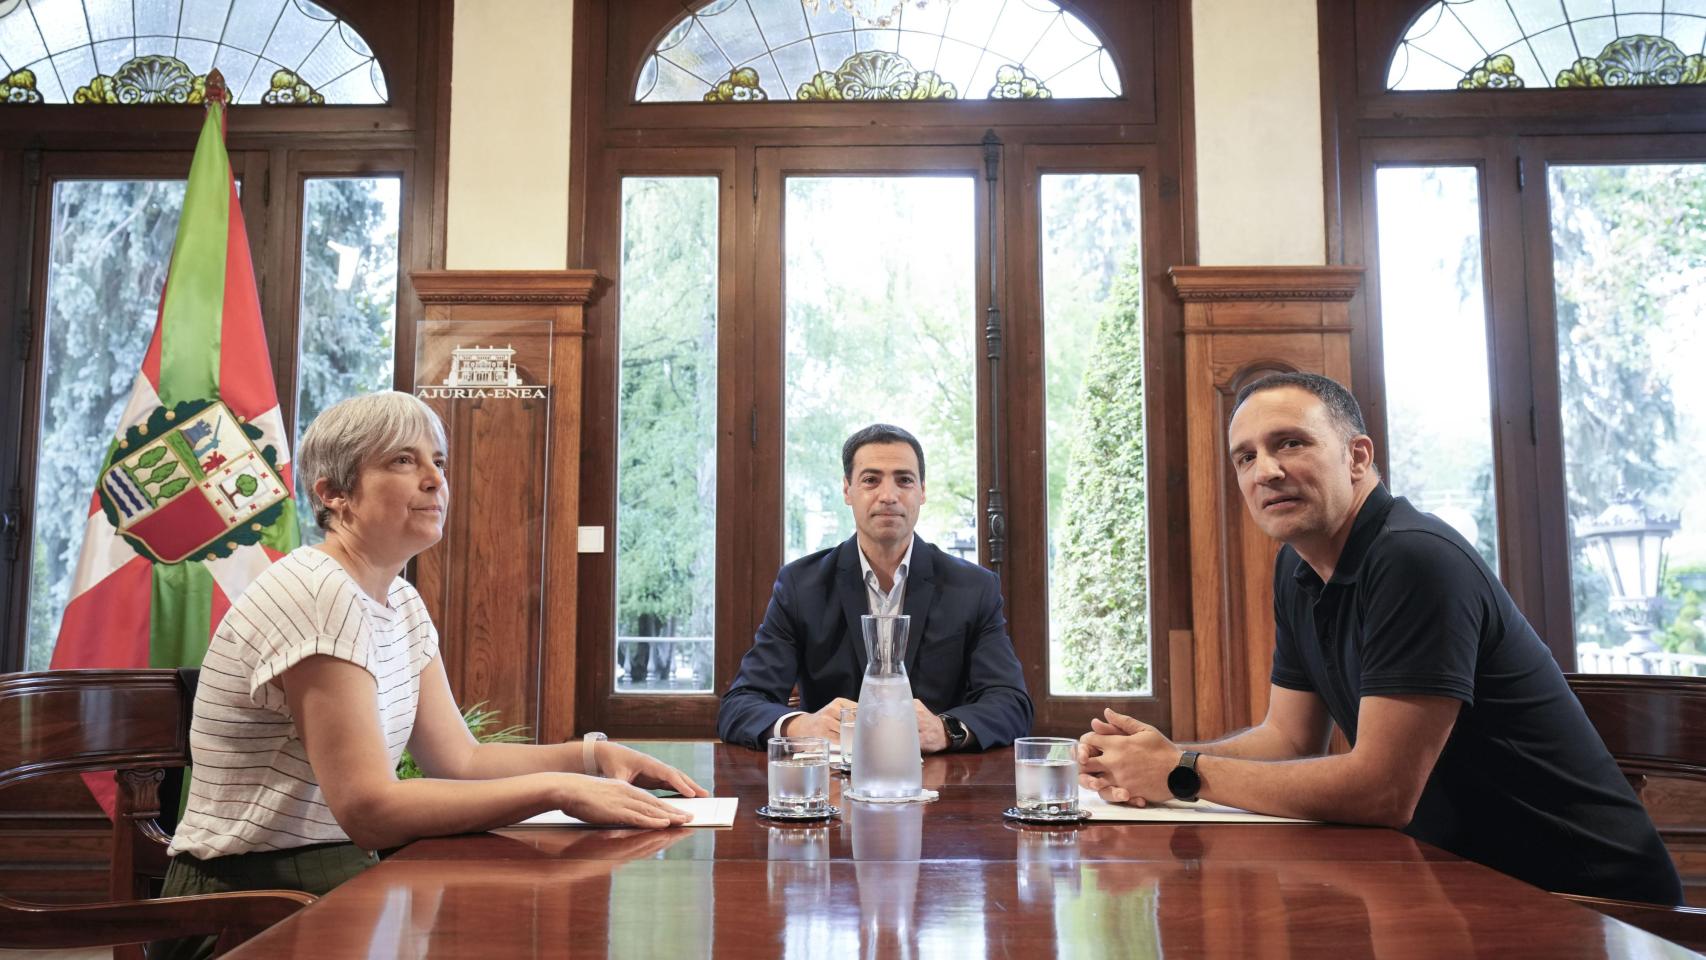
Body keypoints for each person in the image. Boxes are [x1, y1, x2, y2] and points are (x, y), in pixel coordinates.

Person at [1076, 372, 1681, 905]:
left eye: (1290, 442)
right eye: (1244, 457)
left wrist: (1181, 772)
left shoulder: (1414, 558)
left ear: (1357, 457)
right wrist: (1151, 763)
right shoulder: (1297, 567)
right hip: (1459, 879)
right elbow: (1287, 739)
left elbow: (1383, 791)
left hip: (1582, 899)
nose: (1266, 469)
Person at [158, 392, 706, 958]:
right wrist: (560, 790)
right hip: (249, 903)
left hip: (335, 876)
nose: (434, 480)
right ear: (334, 493)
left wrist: (590, 759)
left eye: (438, 461)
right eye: (402, 461)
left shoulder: (399, 599)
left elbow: (460, 761)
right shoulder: (317, 593)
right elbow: (369, 810)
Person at [717, 424, 1032, 752]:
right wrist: (801, 725)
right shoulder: (801, 586)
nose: (888, 495)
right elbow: (739, 705)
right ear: (847, 491)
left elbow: (1011, 703)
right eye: (870, 480)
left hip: (939, 783)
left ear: (922, 491)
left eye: (904, 480)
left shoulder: (972, 588)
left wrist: (946, 728)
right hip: (833, 787)